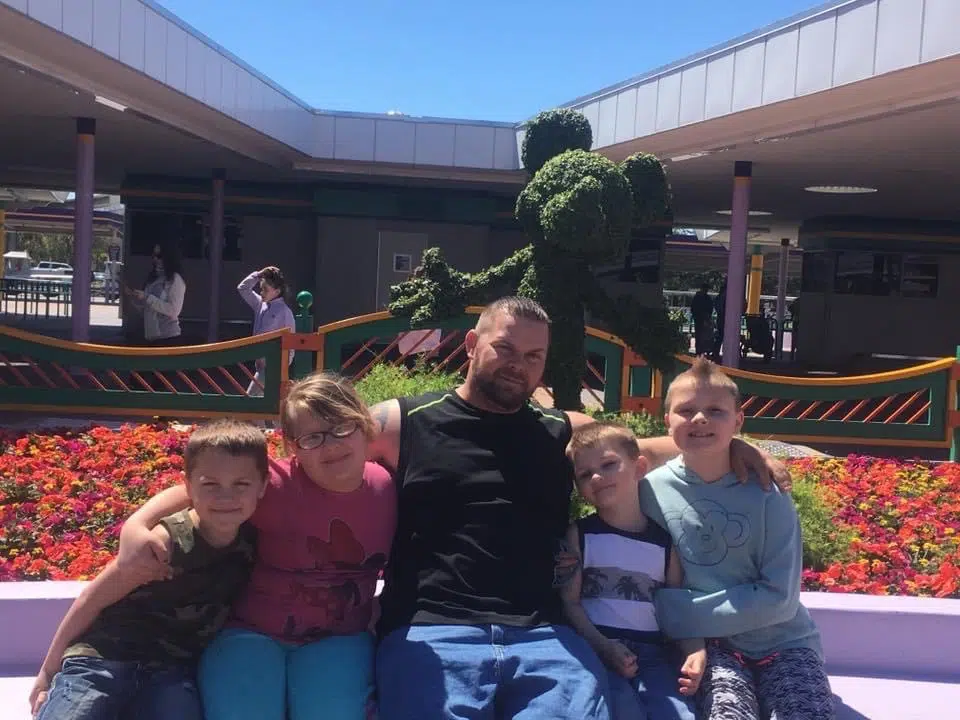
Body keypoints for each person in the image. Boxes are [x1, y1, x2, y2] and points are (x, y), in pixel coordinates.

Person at [363, 296, 788, 719]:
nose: (518, 365)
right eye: (505, 349)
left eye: (534, 356)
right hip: (434, 628)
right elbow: (320, 442)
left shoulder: (560, 432)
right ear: (473, 343)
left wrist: (735, 444)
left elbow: (639, 451)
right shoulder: (404, 424)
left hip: (544, 636)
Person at [117, 372, 396, 720]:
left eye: (342, 428)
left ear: (365, 426)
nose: (331, 445)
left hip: (340, 639)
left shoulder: (388, 489)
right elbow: (191, 491)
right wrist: (137, 523)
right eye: (313, 437)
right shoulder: (276, 484)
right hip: (251, 632)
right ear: (292, 446)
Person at [29, 419, 267, 720]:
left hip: (169, 672)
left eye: (241, 485)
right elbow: (93, 598)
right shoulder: (164, 544)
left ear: (263, 486)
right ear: (189, 487)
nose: (226, 497)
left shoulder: (255, 537)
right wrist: (47, 672)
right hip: (104, 658)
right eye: (210, 485)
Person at [641, 357, 834, 720]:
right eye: (686, 410)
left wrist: (674, 613)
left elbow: (780, 599)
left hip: (786, 641)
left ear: (738, 421)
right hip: (711, 649)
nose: (700, 419)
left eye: (716, 410)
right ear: (666, 420)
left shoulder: (767, 491)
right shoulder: (650, 491)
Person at [561, 421, 705, 720]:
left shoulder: (666, 544)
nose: (597, 476)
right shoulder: (580, 535)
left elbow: (676, 611)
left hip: (653, 657)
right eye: (585, 474)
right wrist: (602, 646)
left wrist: (695, 651)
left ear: (639, 467)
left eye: (609, 464)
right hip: (596, 648)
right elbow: (570, 603)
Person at [237, 266, 297, 396]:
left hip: (273, 366)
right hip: (261, 364)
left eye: (266, 289)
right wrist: (258, 274)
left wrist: (281, 366)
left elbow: (291, 343)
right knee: (262, 408)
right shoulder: (260, 304)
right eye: (261, 289)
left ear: (277, 291)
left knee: (250, 400)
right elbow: (243, 288)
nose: (262, 293)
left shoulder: (285, 312)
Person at [126, 243, 186, 346]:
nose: (155, 259)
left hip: (168, 338)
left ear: (169, 257)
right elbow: (147, 309)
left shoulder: (175, 279)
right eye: (153, 255)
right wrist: (134, 298)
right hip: (151, 337)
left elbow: (174, 310)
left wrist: (147, 297)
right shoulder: (153, 279)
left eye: (159, 256)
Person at [690, 283, 714, 357]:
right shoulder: (704, 298)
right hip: (701, 318)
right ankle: (701, 350)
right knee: (702, 335)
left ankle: (701, 350)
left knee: (702, 335)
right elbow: (710, 308)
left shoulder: (698, 297)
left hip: (701, 318)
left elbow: (693, 308)